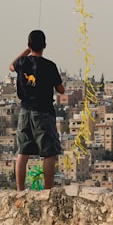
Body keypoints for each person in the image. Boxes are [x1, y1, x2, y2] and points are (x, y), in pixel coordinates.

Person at [9, 29, 67, 191]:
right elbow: (61, 90)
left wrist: (27, 50)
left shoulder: (22, 63)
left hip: (25, 111)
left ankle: (20, 191)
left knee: (23, 152)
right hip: (43, 112)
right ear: (45, 46)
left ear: (29, 45)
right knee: (49, 153)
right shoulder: (49, 66)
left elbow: (11, 66)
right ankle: (48, 191)